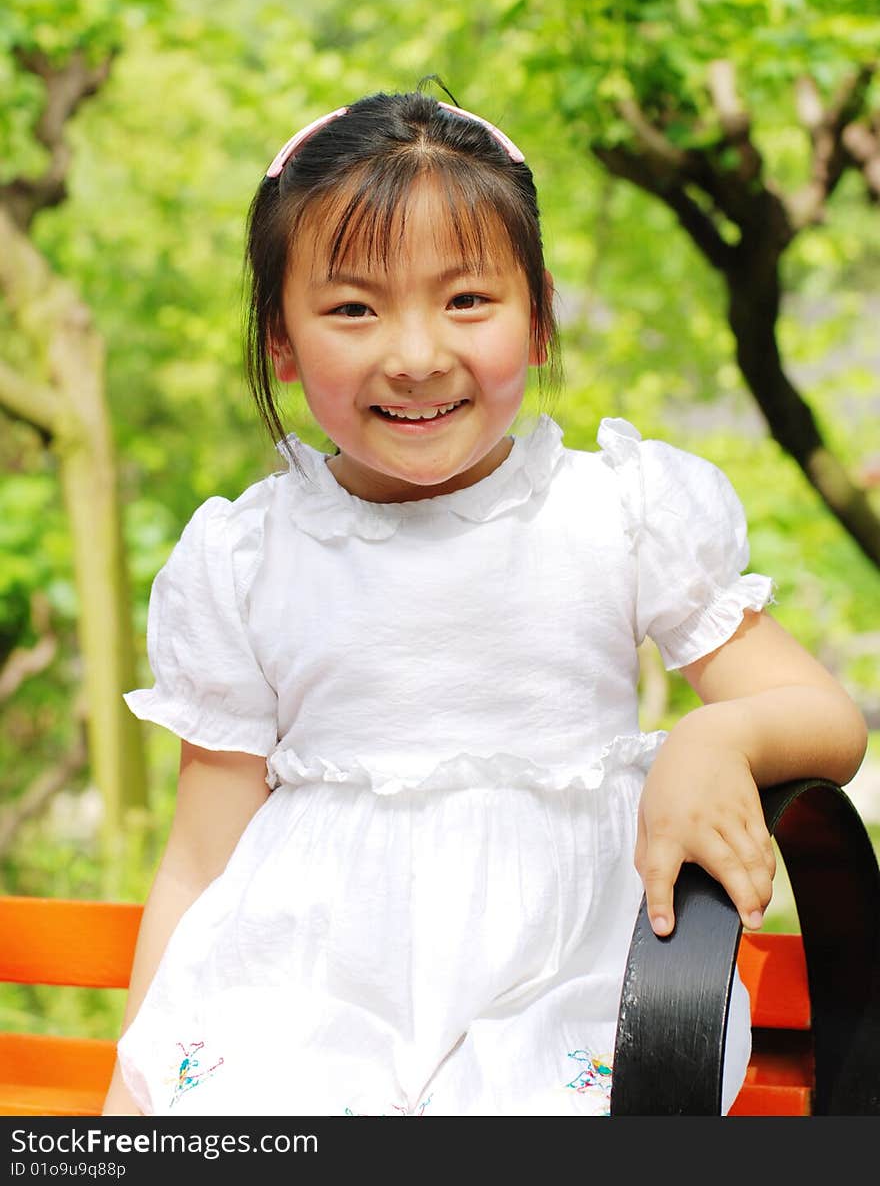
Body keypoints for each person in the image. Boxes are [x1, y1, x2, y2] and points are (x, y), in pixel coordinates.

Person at [102, 89, 867, 1118]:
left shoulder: (612, 513)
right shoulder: (249, 555)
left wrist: (715, 738)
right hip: (310, 992)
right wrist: (134, 1085)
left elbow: (825, 721)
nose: (415, 353)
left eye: (466, 300)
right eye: (352, 308)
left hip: (557, 985)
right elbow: (201, 858)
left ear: (540, 316)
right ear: (281, 339)